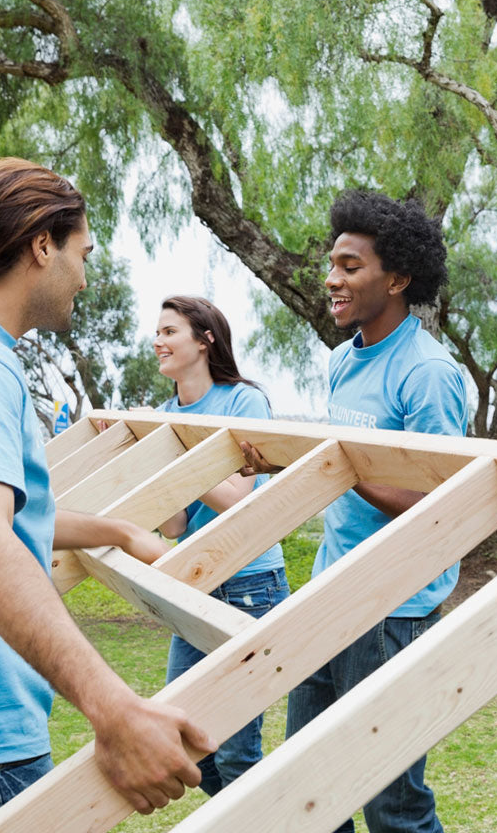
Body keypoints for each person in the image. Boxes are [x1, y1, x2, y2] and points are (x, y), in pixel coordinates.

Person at [0, 158, 215, 830]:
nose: (86, 277)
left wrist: (118, 532)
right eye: (82, 253)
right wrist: (114, 708)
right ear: (42, 245)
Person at [281, 189, 468, 833]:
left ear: (398, 279)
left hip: (394, 609)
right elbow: (335, 471)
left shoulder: (428, 374)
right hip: (331, 592)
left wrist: (340, 464)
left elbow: (439, 504)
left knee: (391, 803)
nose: (332, 279)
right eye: (332, 264)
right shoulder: (341, 362)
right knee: (309, 785)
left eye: (351, 266)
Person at [153, 295, 289, 796]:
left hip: (250, 586)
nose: (158, 341)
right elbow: (173, 526)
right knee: (187, 738)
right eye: (158, 332)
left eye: (170, 331)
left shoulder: (243, 402)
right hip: (195, 584)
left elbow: (236, 498)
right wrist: (158, 467)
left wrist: (178, 456)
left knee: (236, 751)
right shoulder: (167, 413)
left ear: (205, 339)